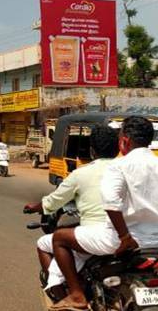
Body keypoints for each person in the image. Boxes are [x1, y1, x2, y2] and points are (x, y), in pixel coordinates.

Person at [50, 116, 158, 311]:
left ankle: (77, 295)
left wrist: (124, 237)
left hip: (121, 242)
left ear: (125, 141)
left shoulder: (120, 165)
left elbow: (111, 204)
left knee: (59, 238)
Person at [24, 125, 120, 298]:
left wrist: (35, 207)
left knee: (46, 242)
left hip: (99, 235)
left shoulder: (81, 174)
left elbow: (54, 201)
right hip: (129, 234)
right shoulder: (127, 170)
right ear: (118, 148)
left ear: (91, 151)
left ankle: (69, 295)